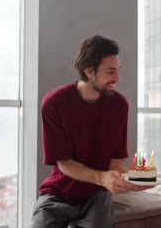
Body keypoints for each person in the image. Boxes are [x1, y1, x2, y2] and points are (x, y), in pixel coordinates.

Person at [31, 35, 141, 228]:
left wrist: (136, 179)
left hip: (97, 194)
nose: (117, 78)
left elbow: (115, 160)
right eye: (110, 72)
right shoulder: (54, 103)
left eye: (118, 70)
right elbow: (63, 163)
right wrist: (100, 177)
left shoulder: (119, 105)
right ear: (89, 71)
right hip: (59, 193)